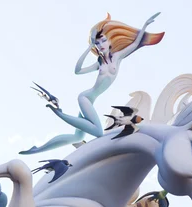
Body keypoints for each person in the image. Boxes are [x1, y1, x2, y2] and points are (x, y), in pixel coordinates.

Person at [20, 13, 164, 154]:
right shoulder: (99, 63)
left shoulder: (117, 57)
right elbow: (78, 70)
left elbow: (135, 43)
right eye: (97, 42)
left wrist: (145, 24)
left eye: (103, 41)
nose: (101, 45)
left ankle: (38, 149)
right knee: (98, 132)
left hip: (91, 100)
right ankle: (59, 114)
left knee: (78, 137)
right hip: (85, 98)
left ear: (110, 42)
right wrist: (89, 48)